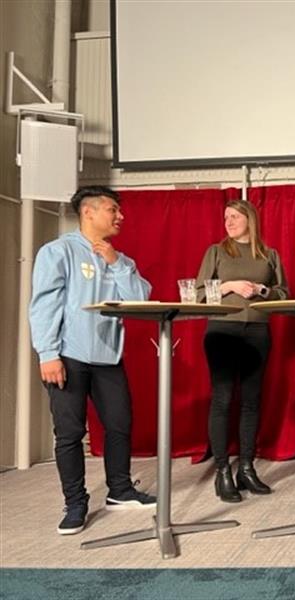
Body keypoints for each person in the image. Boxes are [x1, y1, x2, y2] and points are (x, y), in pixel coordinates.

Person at [29, 186, 156, 536]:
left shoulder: (121, 259)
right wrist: (48, 353)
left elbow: (140, 300)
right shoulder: (58, 252)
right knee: (69, 432)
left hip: (107, 357)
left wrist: (115, 264)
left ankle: (120, 491)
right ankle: (75, 503)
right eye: (113, 210)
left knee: (119, 423)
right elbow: (44, 305)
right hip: (68, 356)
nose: (120, 217)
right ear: (89, 211)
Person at [196, 199, 288, 503]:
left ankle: (246, 468)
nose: (229, 221)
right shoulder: (216, 252)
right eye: (226, 217)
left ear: (250, 219)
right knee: (222, 399)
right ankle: (223, 472)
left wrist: (262, 291)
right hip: (223, 330)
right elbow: (198, 294)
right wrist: (229, 286)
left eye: (235, 216)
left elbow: (284, 293)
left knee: (252, 401)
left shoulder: (269, 255)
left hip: (258, 332)